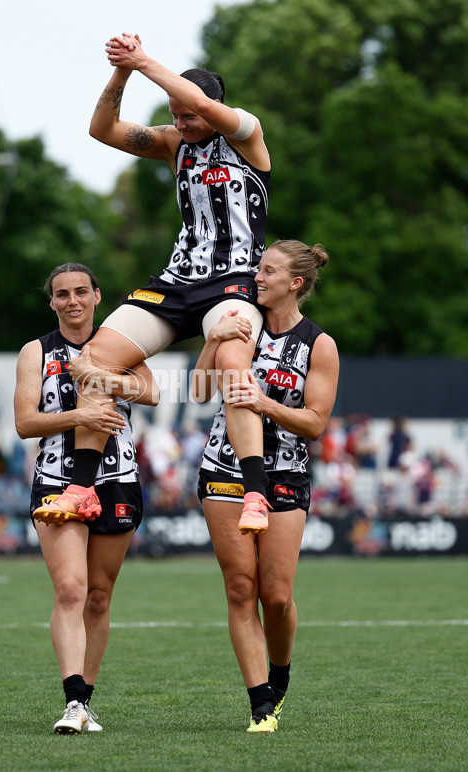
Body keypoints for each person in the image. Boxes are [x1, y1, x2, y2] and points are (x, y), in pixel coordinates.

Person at [33, 32, 273, 531]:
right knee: (91, 360)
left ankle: (255, 495)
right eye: (174, 114)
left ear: (214, 108)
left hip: (233, 279)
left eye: (189, 114)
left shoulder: (247, 137)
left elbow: (201, 103)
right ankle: (80, 489)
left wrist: (143, 60)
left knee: (230, 362)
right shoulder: (173, 143)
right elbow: (101, 130)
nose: (181, 122)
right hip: (176, 279)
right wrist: (122, 70)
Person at [193, 239, 339, 732]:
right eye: (259, 268)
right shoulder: (240, 324)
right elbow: (197, 391)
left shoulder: (319, 344)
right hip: (224, 469)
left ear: (295, 283)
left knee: (275, 596)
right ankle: (260, 704)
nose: (257, 276)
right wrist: (214, 338)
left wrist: (264, 403)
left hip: (284, 474)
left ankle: (280, 673)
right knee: (240, 587)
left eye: (269, 271)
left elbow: (315, 423)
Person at [14, 262, 158, 735]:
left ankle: (87, 701)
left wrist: (104, 379)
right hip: (57, 479)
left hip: (118, 477)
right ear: (51, 301)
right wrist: (80, 415)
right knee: (71, 589)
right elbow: (25, 423)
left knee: (98, 596)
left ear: (98, 296)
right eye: (61, 294)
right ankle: (73, 702)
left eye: (81, 291)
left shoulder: (119, 343)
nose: (72, 301)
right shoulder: (35, 352)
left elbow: (151, 392)